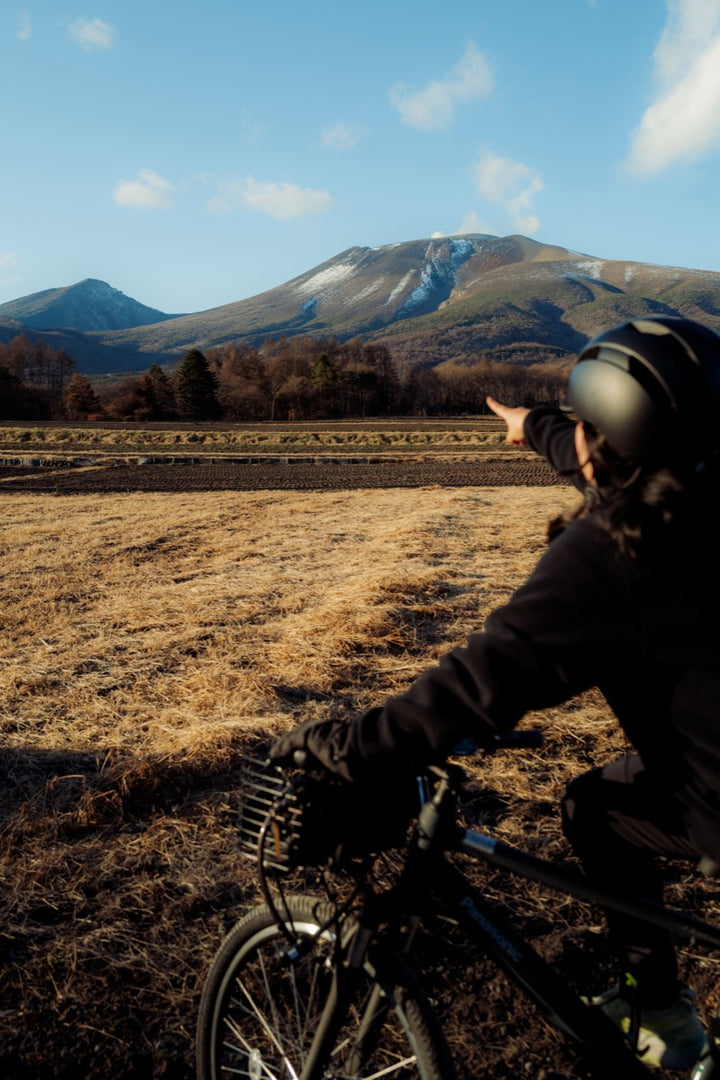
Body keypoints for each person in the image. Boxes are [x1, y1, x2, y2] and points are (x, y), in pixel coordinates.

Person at [271, 315, 720, 1072]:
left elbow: (480, 683)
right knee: (598, 808)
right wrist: (535, 425)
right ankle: (655, 1008)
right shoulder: (694, 490)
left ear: (609, 436)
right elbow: (599, 461)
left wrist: (348, 744)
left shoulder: (617, 551)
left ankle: (658, 1011)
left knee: (597, 808)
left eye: (581, 423)